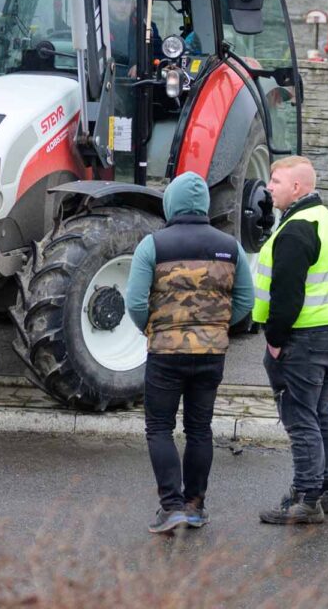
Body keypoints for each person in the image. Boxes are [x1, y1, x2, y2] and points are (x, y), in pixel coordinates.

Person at [124, 171, 254, 535]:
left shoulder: (153, 244)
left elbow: (134, 301)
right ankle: (195, 506)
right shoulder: (230, 245)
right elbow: (245, 300)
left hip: (165, 352)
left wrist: (150, 327)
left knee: (160, 428)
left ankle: (171, 507)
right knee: (200, 428)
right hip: (211, 353)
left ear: (171, 202)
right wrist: (217, 326)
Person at [252, 156, 328, 525]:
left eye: (275, 181)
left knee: (300, 419)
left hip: (302, 337)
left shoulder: (297, 228)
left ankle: (306, 498)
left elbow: (287, 293)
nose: (268, 187)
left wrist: (275, 339)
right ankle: (326, 490)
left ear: (297, 187)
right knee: (321, 413)